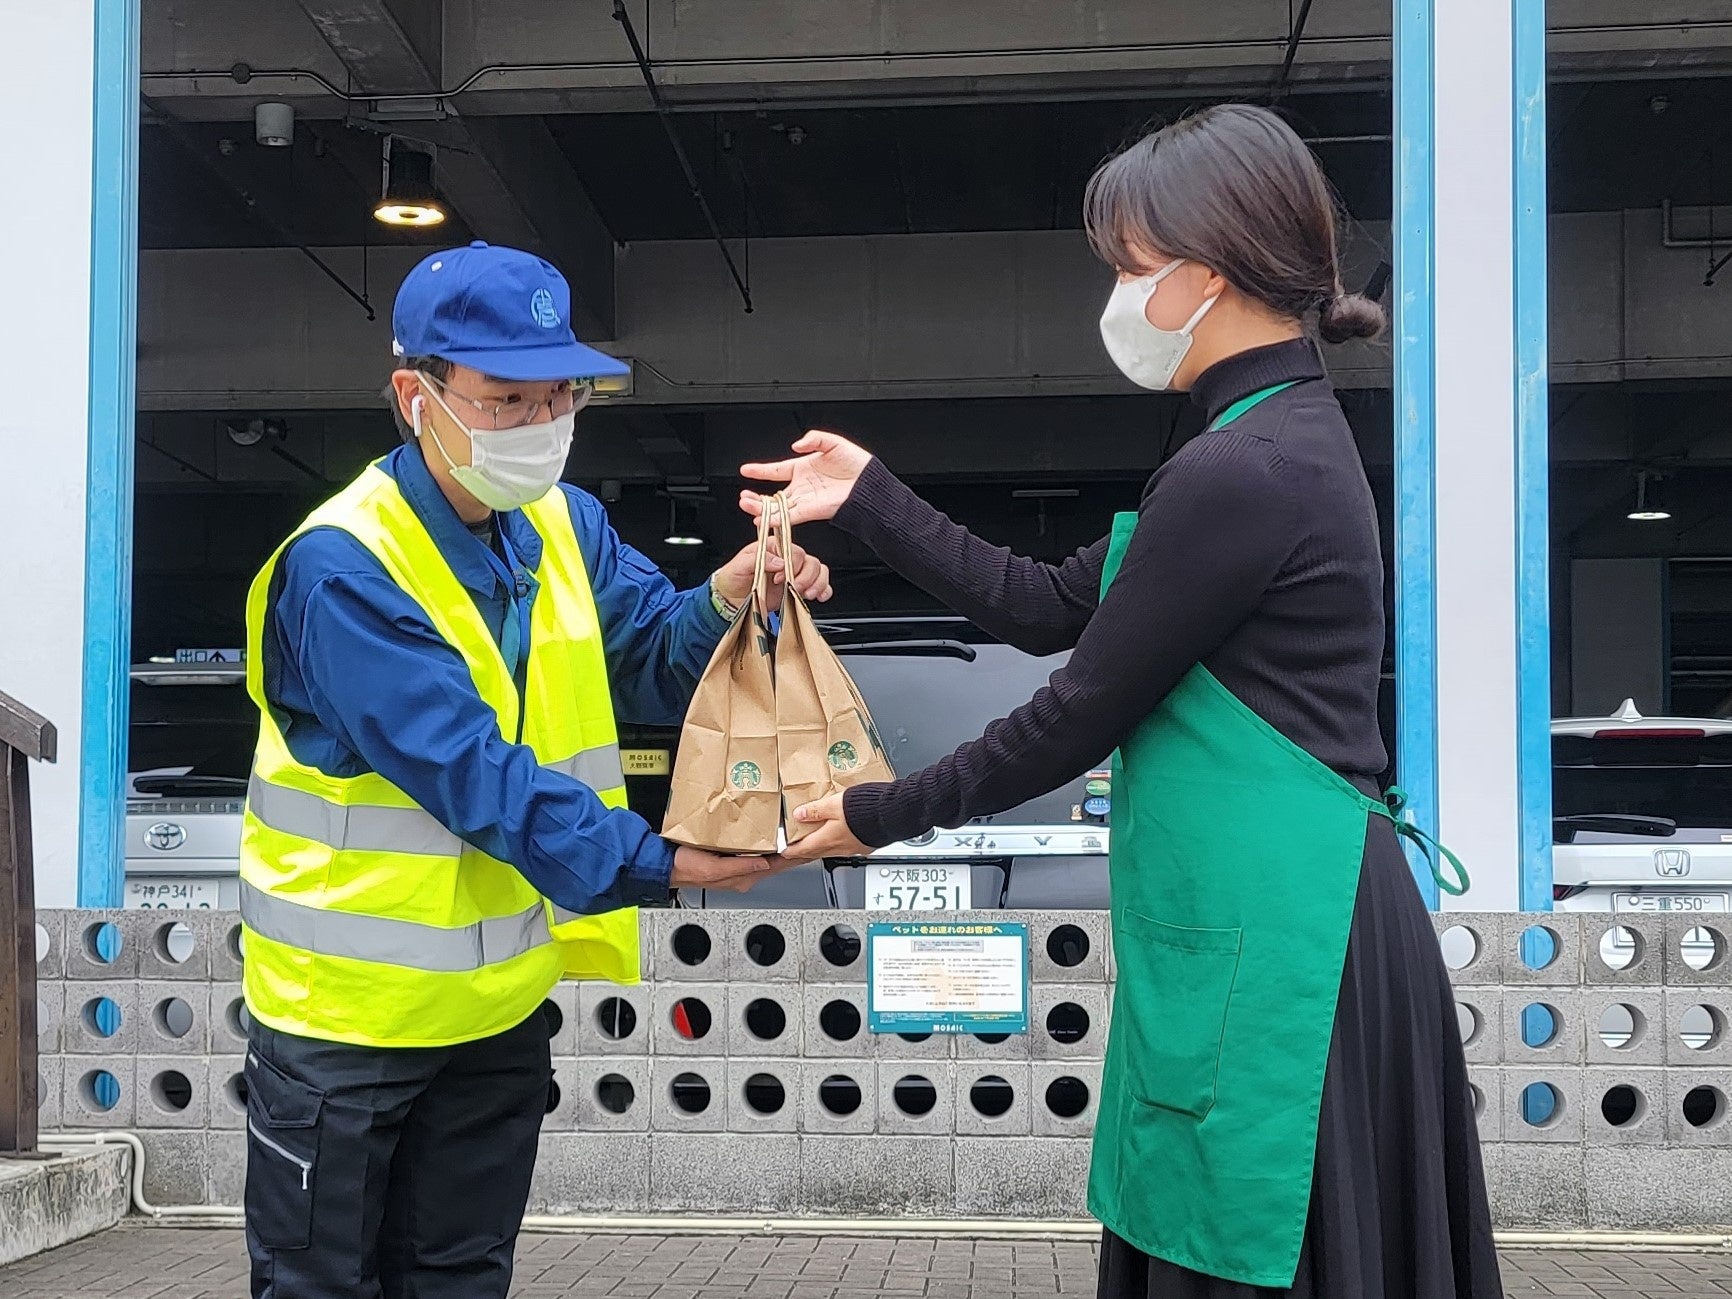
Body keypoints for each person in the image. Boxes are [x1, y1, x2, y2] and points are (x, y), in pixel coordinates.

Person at [748, 106, 1502, 1298]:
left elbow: (1075, 708)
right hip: (1288, 913)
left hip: (1285, 940)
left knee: (1244, 1231)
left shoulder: (1240, 469)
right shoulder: (1272, 441)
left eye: (1129, 269)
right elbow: (1049, 605)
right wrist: (871, 496)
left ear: (1201, 277)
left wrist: (884, 810)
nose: (1115, 294)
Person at [238, 241, 821, 1298]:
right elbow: (470, 773)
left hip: (496, 1011)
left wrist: (733, 592)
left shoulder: (562, 522)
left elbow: (648, 654)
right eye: (506, 400)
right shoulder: (343, 568)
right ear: (418, 398)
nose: (541, 427)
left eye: (561, 398)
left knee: (463, 1279)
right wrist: (667, 862)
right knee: (324, 1286)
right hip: (346, 1026)